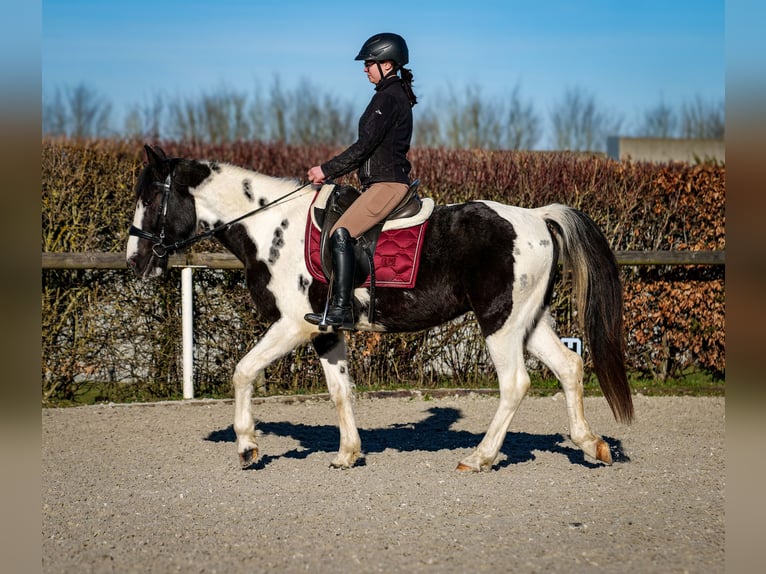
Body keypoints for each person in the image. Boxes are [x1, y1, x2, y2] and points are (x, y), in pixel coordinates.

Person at [304, 32, 418, 331]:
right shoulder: (391, 95)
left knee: (341, 232)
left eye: (370, 63)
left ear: (387, 64)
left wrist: (326, 170)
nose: (365, 68)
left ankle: (342, 310)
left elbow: (363, 146)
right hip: (379, 183)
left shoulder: (388, 97)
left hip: (388, 185)